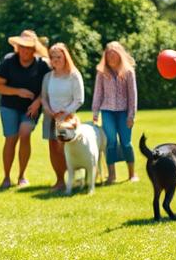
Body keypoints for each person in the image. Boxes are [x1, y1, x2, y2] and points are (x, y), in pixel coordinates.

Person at [0, 30, 51, 189]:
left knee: (25, 134)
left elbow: (47, 88)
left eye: (29, 47)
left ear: (34, 49)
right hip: (9, 106)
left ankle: (22, 176)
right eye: (22, 47)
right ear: (18, 47)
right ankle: (6, 177)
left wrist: (37, 102)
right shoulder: (8, 61)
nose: (25, 50)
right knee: (11, 139)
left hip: (31, 108)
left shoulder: (42, 65)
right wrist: (18, 91)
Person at [92, 41, 139, 184]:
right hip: (107, 112)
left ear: (120, 55)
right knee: (110, 142)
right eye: (109, 54)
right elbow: (98, 93)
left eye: (114, 54)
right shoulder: (101, 72)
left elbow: (133, 95)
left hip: (124, 113)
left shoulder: (128, 72)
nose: (111, 57)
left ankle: (132, 174)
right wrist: (95, 112)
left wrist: (131, 115)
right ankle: (111, 175)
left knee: (126, 143)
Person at [41, 43, 85, 192]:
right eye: (52, 57)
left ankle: (76, 179)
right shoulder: (48, 77)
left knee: (70, 149)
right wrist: (48, 110)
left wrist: (65, 113)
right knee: (54, 150)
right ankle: (60, 181)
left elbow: (79, 99)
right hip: (50, 118)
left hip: (68, 119)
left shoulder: (74, 75)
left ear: (65, 57)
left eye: (58, 56)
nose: (55, 60)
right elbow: (44, 97)